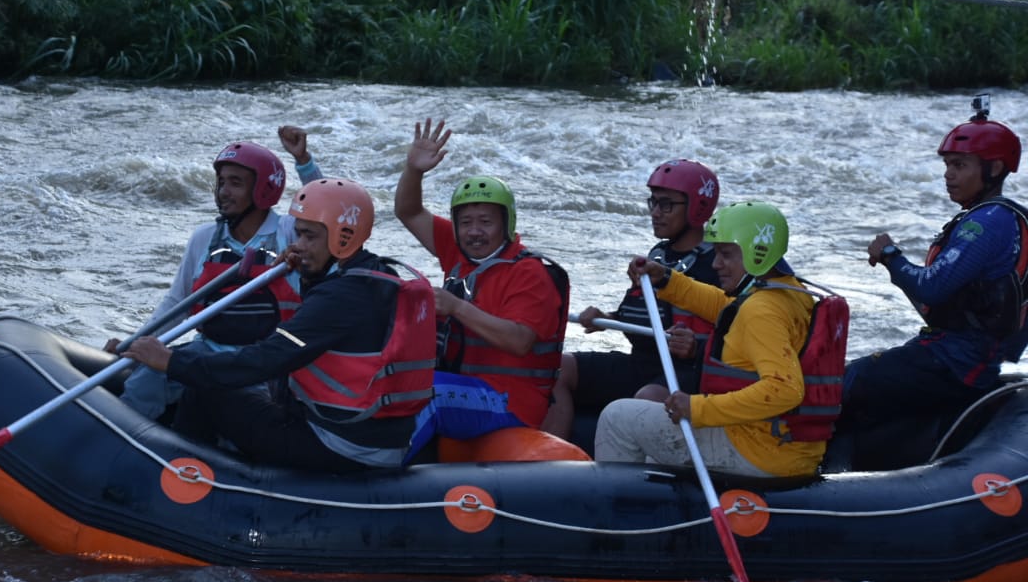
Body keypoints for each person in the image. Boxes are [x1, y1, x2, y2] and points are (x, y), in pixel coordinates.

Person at [124, 178, 436, 471]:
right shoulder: (378, 274)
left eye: (309, 236)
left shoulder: (341, 296)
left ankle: (179, 481)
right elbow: (325, 329)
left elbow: (264, 360)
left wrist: (173, 362)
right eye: (297, 234)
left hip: (340, 446)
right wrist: (305, 274)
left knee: (204, 391)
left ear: (344, 236)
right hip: (371, 439)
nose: (298, 245)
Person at [836, 100, 1028, 467]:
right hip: (966, 358)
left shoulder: (987, 222)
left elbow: (931, 288)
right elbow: (938, 307)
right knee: (872, 385)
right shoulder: (1007, 221)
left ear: (994, 169)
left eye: (960, 165)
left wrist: (891, 256)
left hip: (956, 362)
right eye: (947, 165)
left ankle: (817, 475)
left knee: (850, 379)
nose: (948, 175)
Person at [595, 201, 843, 478]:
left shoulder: (761, 310)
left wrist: (697, 408)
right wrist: (666, 279)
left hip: (756, 449)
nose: (715, 264)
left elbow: (785, 389)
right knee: (653, 448)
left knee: (617, 417)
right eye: (715, 253)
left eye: (725, 254)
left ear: (757, 253)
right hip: (788, 448)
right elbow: (726, 307)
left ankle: (612, 501)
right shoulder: (791, 292)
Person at [104, 126, 322, 418]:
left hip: (263, 365)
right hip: (205, 353)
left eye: (235, 183)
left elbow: (325, 213)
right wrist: (134, 343)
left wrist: (304, 162)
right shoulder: (204, 238)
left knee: (242, 413)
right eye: (221, 182)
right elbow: (176, 304)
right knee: (146, 378)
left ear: (262, 190)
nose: (223, 192)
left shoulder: (289, 232)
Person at [394, 118, 569, 460]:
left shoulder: (531, 272)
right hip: (466, 387)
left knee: (426, 393)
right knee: (396, 377)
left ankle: (376, 470)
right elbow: (408, 211)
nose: (474, 231)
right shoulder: (457, 251)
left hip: (510, 399)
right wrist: (413, 170)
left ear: (506, 224)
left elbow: (519, 340)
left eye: (486, 222)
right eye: (466, 223)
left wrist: (457, 307)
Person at [542, 159, 720, 443]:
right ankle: (550, 459)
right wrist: (607, 319)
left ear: (697, 208)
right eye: (653, 202)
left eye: (666, 205)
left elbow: (736, 333)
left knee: (646, 399)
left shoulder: (719, 265)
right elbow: (648, 315)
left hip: (688, 374)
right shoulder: (658, 255)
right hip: (643, 364)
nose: (655, 212)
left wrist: (695, 349)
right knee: (558, 368)